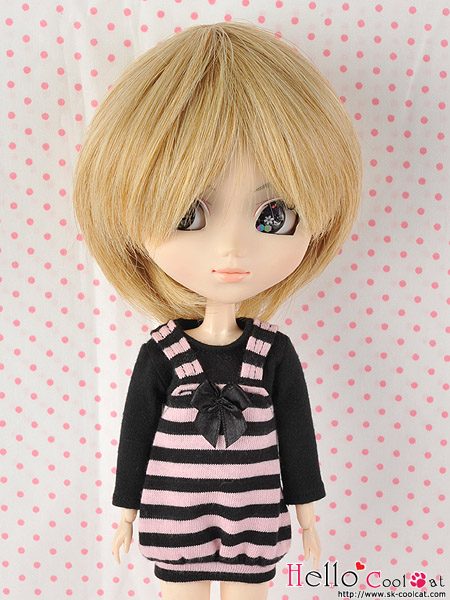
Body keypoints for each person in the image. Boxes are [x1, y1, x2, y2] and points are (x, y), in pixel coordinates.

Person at [72, 21, 362, 600]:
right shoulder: (161, 353)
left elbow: (297, 434)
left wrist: (305, 513)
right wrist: (126, 511)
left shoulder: (273, 353)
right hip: (175, 518)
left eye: (273, 216)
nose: (231, 250)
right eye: (189, 215)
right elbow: (136, 432)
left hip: (255, 518)